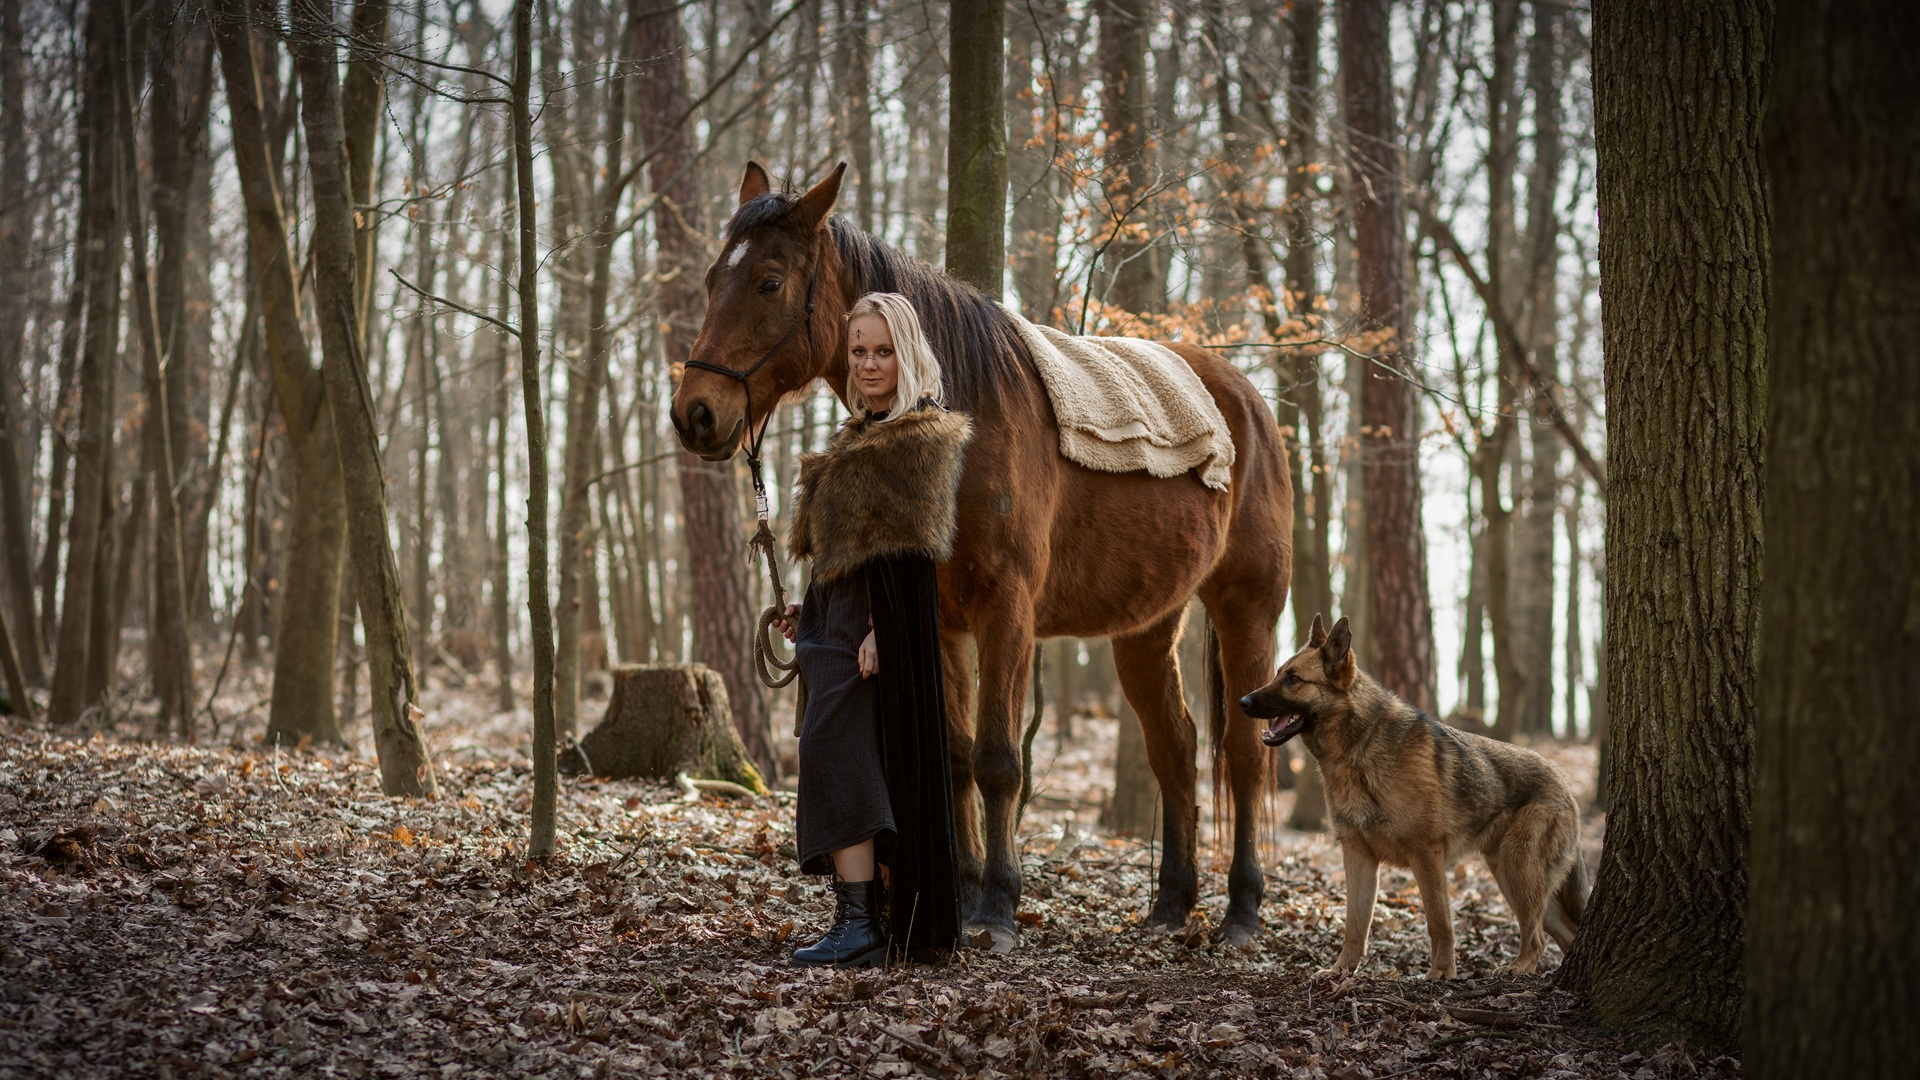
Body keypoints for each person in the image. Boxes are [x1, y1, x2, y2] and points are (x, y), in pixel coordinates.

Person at [773, 292, 970, 967]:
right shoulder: (857, 432)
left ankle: (861, 925)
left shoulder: (920, 436)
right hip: (835, 620)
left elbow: (909, 561)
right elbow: (849, 551)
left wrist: (885, 631)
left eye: (882, 350)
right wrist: (810, 608)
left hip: (872, 630)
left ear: (906, 350)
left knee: (840, 756)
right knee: (833, 757)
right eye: (859, 351)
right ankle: (860, 916)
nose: (868, 363)